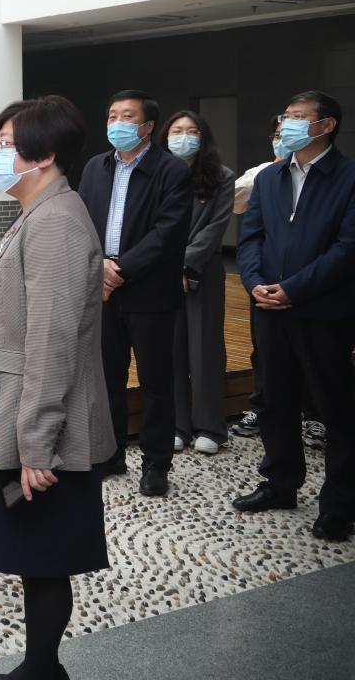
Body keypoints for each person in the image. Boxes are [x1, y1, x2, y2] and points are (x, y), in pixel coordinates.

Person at [0, 95, 113, 680]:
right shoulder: (38, 212)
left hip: (40, 428)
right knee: (36, 556)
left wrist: (36, 445)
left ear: (44, 155)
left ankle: (43, 670)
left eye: (7, 145)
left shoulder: (55, 224)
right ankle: (40, 668)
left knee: (46, 557)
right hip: (19, 414)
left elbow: (51, 344)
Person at [232, 91, 355, 542]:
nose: (287, 125)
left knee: (334, 404)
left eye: (299, 117)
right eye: (285, 117)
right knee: (273, 398)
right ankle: (280, 482)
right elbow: (250, 237)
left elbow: (348, 248)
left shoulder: (349, 177)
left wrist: (295, 289)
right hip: (268, 307)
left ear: (326, 125)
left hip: (323, 310)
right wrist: (254, 282)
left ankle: (340, 504)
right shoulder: (270, 177)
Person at [77, 89, 193, 497]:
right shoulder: (95, 167)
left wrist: (120, 268)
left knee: (156, 381)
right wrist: (99, 266)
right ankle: (110, 453)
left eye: (126, 117)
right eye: (112, 116)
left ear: (147, 127)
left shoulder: (171, 171)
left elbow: (168, 233)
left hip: (150, 292)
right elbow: (81, 221)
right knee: (106, 376)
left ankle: (156, 463)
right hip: (103, 291)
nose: (116, 123)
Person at [162, 111, 235, 456]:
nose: (184, 137)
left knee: (205, 348)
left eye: (191, 131)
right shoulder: (156, 175)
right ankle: (177, 425)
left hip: (203, 271)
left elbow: (214, 229)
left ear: (203, 137)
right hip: (161, 272)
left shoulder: (222, 177)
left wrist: (185, 263)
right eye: (177, 130)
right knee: (170, 349)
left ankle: (210, 426)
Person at [228, 124, 289, 441]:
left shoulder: (335, 177)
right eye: (277, 135)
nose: (282, 139)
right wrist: (252, 281)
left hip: (307, 283)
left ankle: (315, 414)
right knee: (264, 349)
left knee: (313, 353)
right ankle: (261, 406)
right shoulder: (262, 175)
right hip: (264, 280)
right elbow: (233, 201)